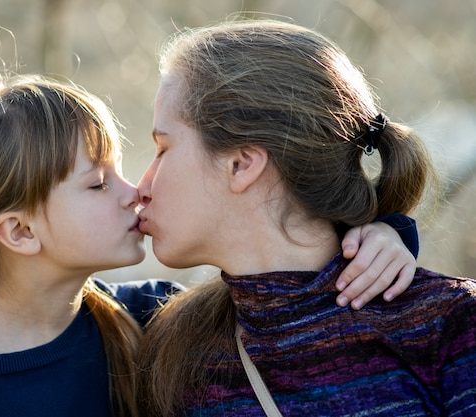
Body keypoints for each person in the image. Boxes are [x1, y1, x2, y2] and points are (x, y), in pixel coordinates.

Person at [0, 59, 416, 416]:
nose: (135, 192)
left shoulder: (154, 322)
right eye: (99, 182)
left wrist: (382, 237)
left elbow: (294, 305)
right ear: (20, 231)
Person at [136, 19, 476, 417]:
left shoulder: (452, 323)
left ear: (241, 164)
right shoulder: (168, 349)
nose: (142, 185)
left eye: (162, 149)